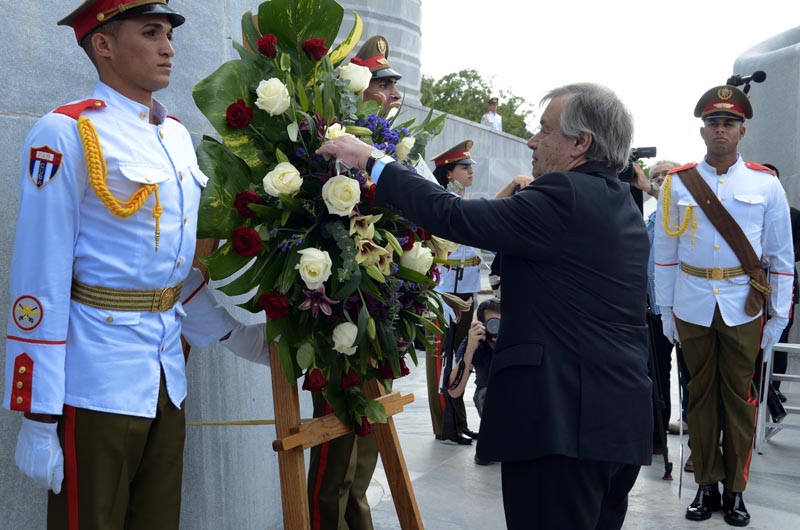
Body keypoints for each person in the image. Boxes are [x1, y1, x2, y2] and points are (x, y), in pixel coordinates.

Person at [318, 82, 653, 530]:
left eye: (543, 130)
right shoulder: (617, 200)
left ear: (581, 143)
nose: (532, 141)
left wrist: (373, 162)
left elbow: (454, 217)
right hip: (612, 422)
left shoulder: (565, 196)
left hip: (562, 425)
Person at [3, 3, 271, 529]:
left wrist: (241, 340)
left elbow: (171, 278)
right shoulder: (65, 133)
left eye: (168, 33)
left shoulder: (172, 135)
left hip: (167, 376)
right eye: (151, 33)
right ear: (103, 45)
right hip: (95, 378)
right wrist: (36, 416)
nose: (169, 47)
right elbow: (39, 281)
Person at [654, 84, 793, 526]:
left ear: (742, 131)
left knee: (739, 398)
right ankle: (706, 484)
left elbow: (780, 258)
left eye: (728, 124)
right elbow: (665, 254)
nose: (720, 130)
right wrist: (665, 311)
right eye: (713, 123)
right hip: (692, 303)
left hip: (743, 304)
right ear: (702, 130)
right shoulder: (678, 183)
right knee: (698, 395)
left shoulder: (765, 184)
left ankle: (735, 490)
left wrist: (779, 316)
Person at [307, 34, 406, 530]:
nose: (392, 94)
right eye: (381, 83)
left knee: (364, 445)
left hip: (382, 310)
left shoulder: (400, 148)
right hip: (339, 314)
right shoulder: (333, 140)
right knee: (336, 445)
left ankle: (357, 520)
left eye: (393, 85)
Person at [430, 140, 481, 445]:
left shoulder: (465, 199)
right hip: (445, 292)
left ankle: (459, 421)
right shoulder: (442, 201)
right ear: (449, 174)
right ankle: (443, 424)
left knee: (463, 357)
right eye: (464, 168)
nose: (470, 172)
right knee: (441, 359)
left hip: (467, 289)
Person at [445, 298, 501, 464]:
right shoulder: (476, 341)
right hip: (491, 399)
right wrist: (470, 349)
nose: (498, 328)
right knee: (486, 394)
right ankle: (492, 438)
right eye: (492, 323)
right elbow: (454, 391)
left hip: (519, 399)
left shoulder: (519, 336)